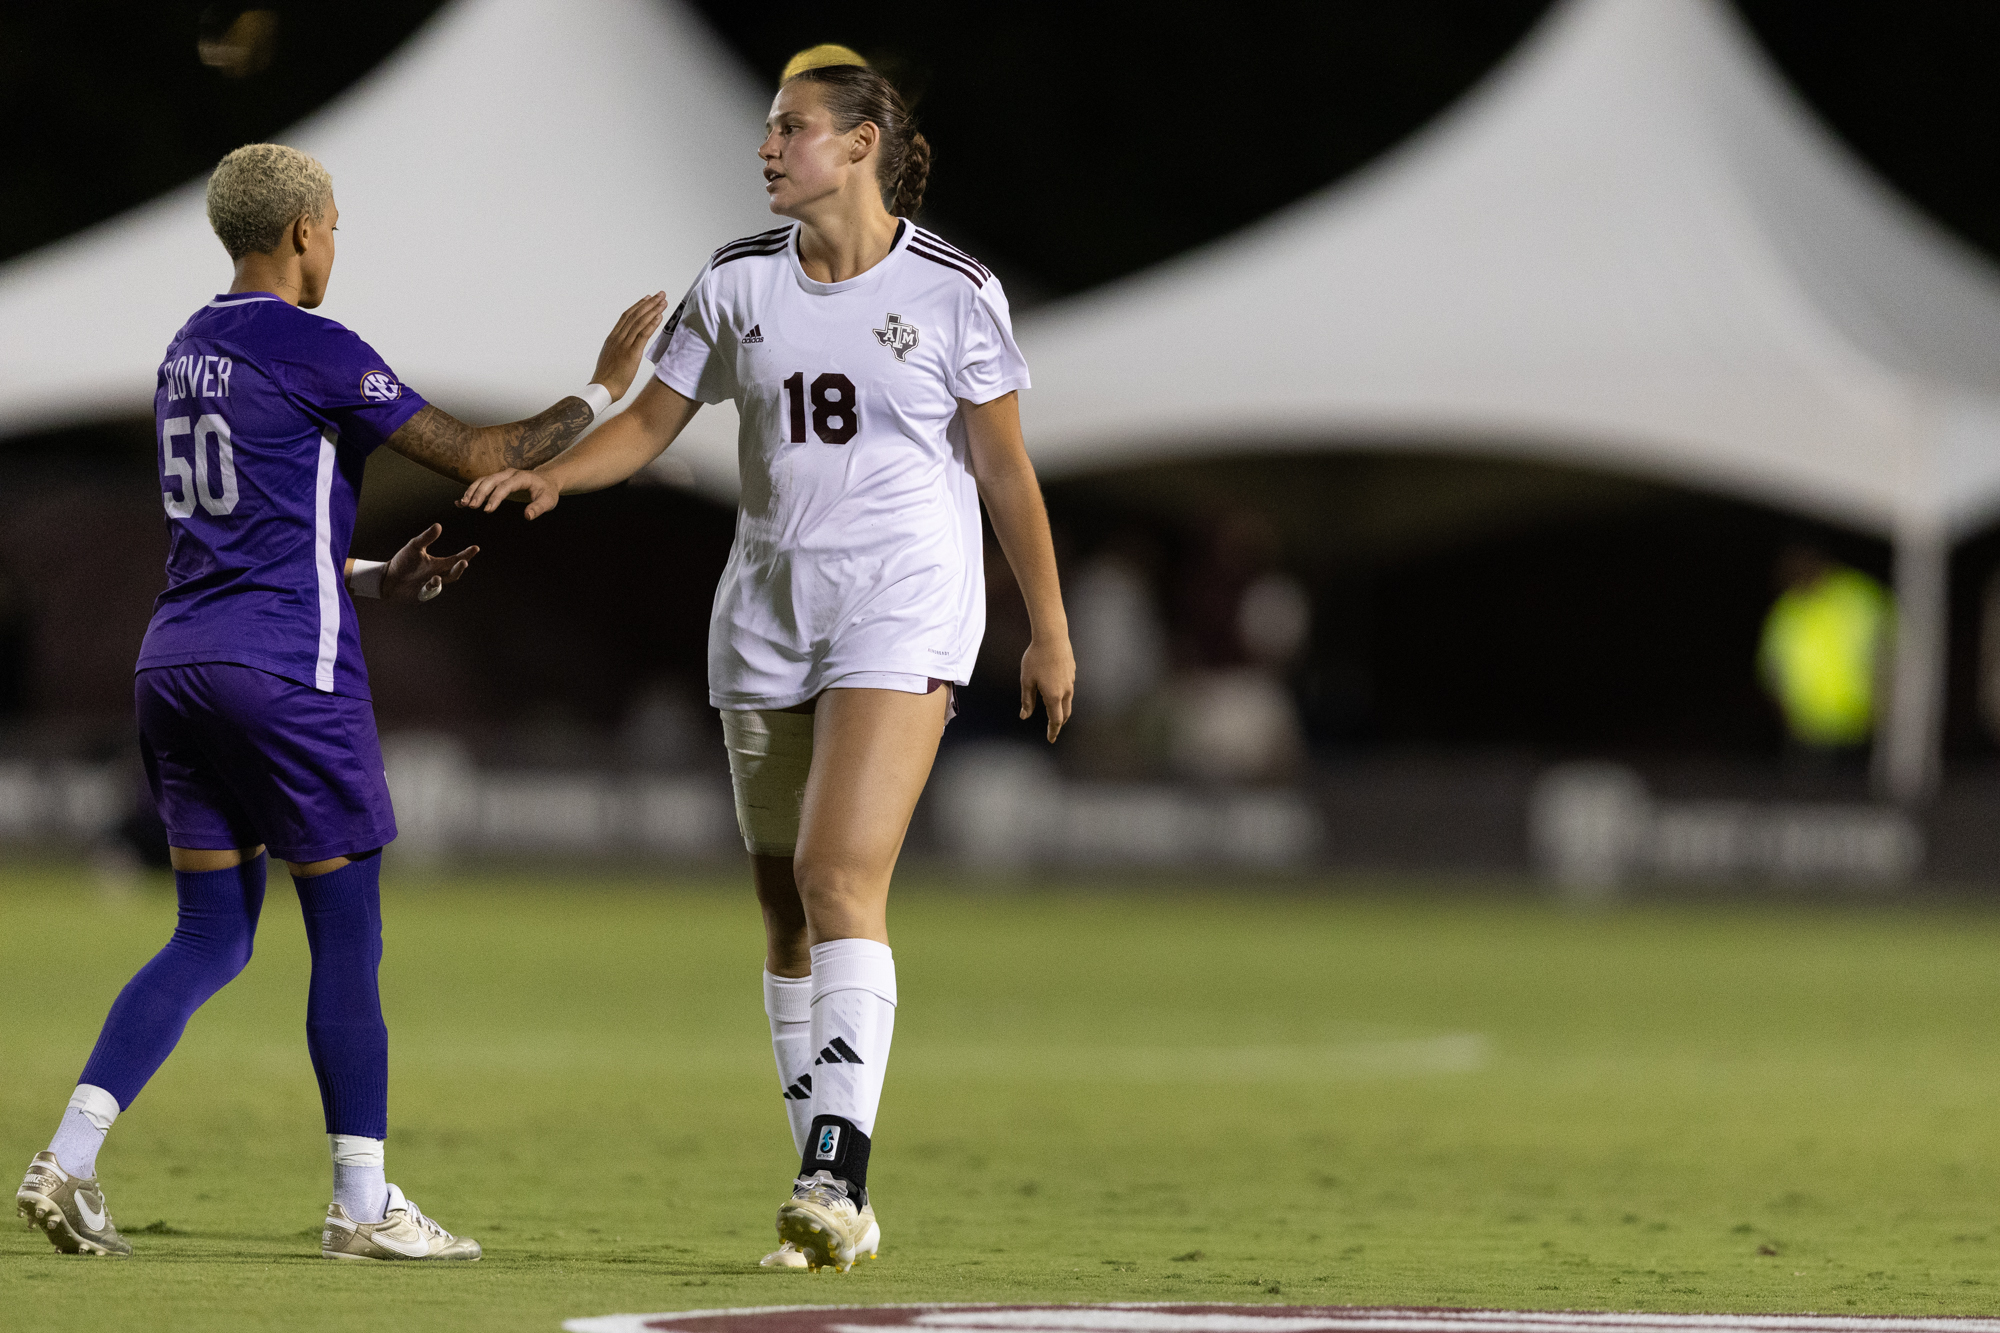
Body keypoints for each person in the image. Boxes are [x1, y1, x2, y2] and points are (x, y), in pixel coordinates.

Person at [459, 45, 1075, 1271]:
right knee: (784, 914)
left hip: (901, 608)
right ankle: (827, 1195)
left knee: (842, 877)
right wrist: (550, 478)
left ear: (859, 146)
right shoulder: (738, 282)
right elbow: (650, 419)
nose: (765, 147)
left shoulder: (955, 289)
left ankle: (836, 1170)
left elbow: (1004, 468)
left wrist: (1047, 627)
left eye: (788, 128)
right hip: (764, 612)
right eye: (767, 127)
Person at [14, 142, 666, 1260]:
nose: (335, 247)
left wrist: (377, 579)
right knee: (345, 944)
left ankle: (68, 1157)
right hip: (284, 676)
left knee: (209, 936)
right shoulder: (312, 346)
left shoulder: (187, 350)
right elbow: (483, 453)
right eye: (334, 227)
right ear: (306, 229)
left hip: (175, 663)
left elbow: (240, 541)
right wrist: (606, 386)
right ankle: (362, 1204)